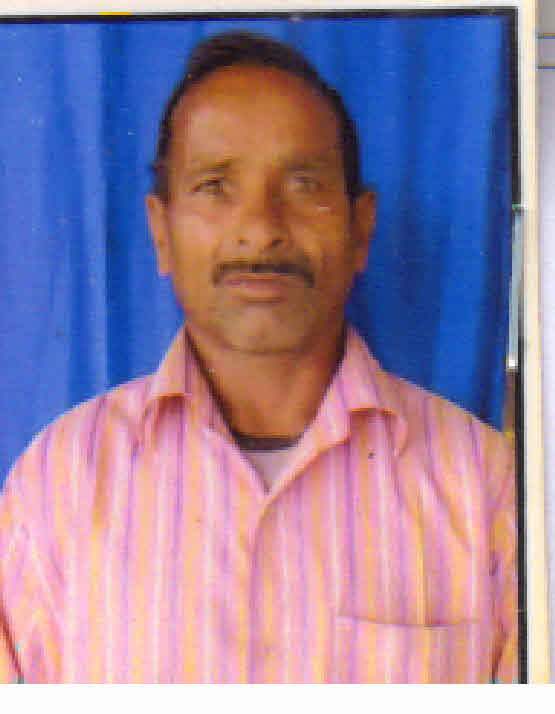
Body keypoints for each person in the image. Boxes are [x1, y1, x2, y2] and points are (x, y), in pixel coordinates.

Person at [0, 31, 517, 683]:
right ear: (161, 233)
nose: (261, 227)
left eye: (303, 184)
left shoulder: (484, 484)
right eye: (215, 185)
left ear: (361, 228)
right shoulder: (59, 481)